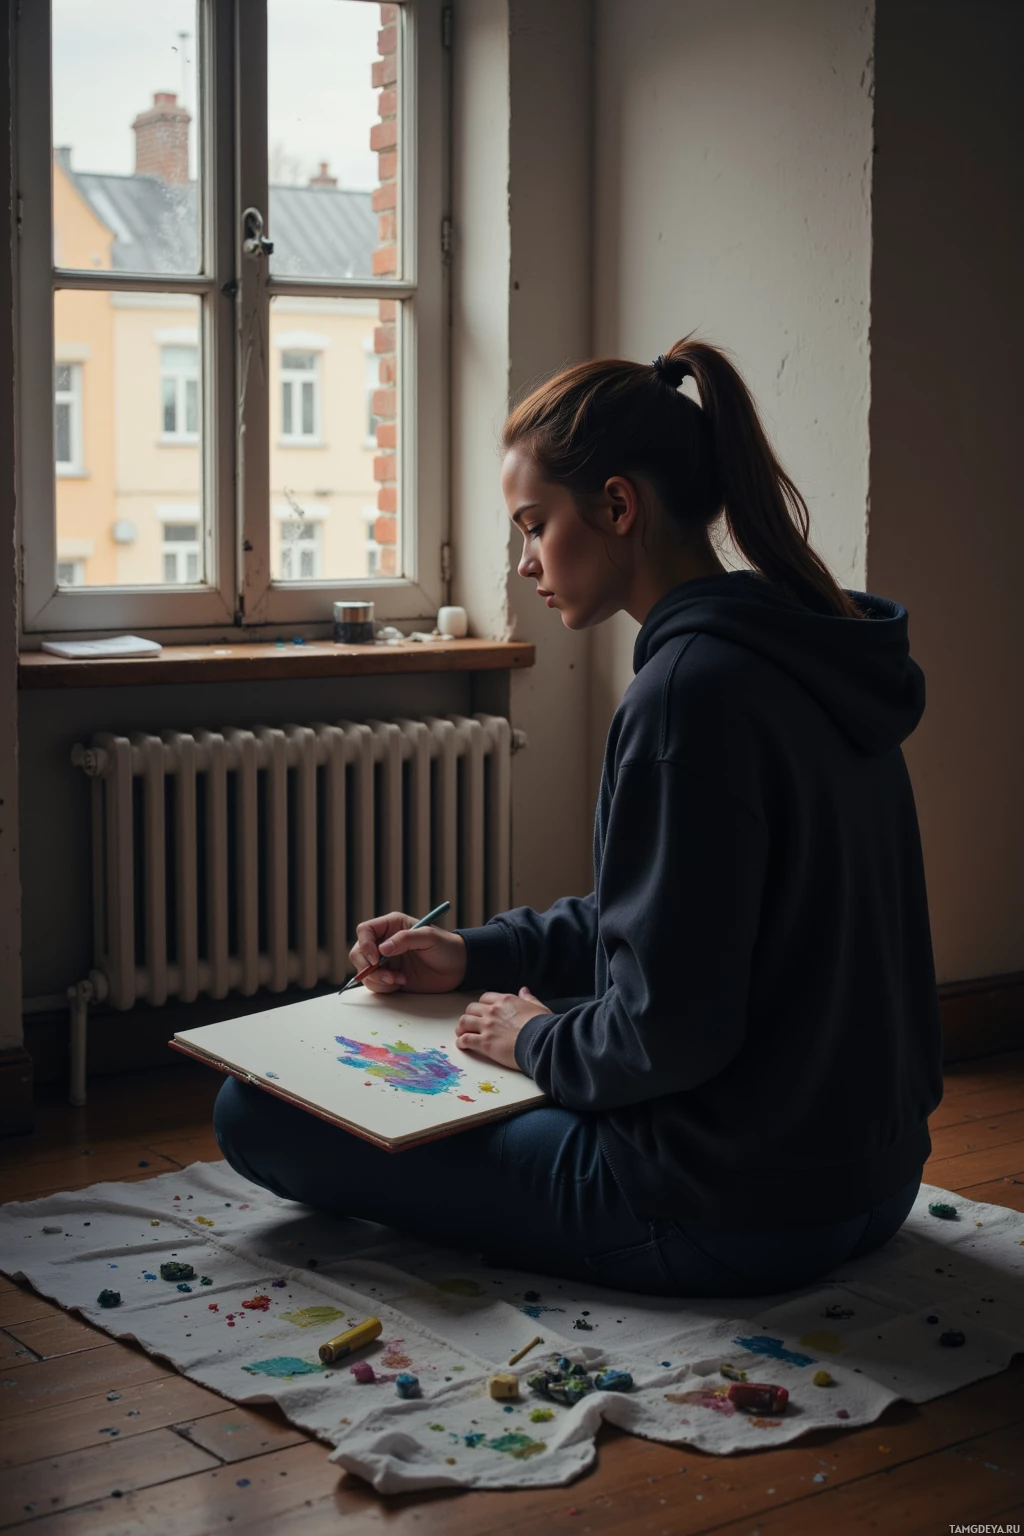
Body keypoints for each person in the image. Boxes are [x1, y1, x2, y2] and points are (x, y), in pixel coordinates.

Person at [214, 337, 943, 1297]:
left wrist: (533, 1038)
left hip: (725, 1212)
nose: (524, 563)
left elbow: (668, 1033)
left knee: (253, 1113)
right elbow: (684, 918)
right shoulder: (814, 654)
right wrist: (478, 955)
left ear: (617, 505)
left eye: (532, 525)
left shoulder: (684, 696)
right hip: (873, 1184)